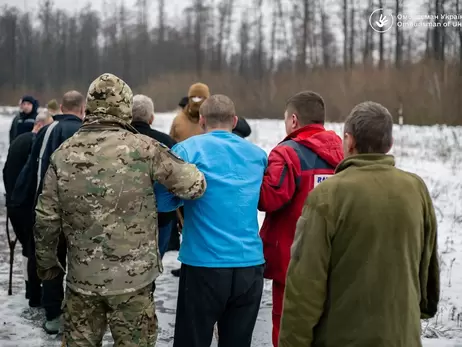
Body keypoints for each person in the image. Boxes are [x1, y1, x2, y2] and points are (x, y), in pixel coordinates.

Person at [34, 73, 206, 347]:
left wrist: (48, 269)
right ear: (124, 106)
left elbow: (45, 219)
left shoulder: (63, 154)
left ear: (89, 107)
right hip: (133, 285)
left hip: (82, 282)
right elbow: (194, 185)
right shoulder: (145, 149)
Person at [279, 101, 440, 347]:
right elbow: (427, 264)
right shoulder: (416, 189)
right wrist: (419, 310)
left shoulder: (327, 195)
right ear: (390, 144)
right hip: (402, 335)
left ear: (348, 140)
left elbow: (305, 286)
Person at [157, 94, 267, 347]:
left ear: (202, 121)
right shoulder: (258, 155)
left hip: (204, 265)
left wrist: (184, 200)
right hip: (249, 265)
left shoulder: (186, 150)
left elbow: (162, 201)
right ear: (235, 121)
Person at [258, 91, 343, 347]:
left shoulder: (287, 153)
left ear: (294, 120)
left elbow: (268, 199)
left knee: (287, 328)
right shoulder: (345, 152)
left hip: (292, 259)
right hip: (333, 256)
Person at [11, 90, 85, 334]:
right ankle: (78, 312)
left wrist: (20, 201)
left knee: (50, 261)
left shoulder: (47, 131)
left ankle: (52, 314)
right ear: (82, 109)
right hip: (82, 212)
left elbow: (32, 169)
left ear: (61, 107)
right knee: (79, 262)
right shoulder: (88, 132)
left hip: (47, 208)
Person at [3, 111, 53, 304]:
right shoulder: (35, 142)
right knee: (33, 249)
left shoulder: (18, 140)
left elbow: (6, 170)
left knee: (26, 247)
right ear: (41, 125)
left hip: (14, 203)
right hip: (26, 204)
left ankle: (27, 288)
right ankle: (34, 293)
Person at [131, 94, 177, 258]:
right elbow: (177, 180)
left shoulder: (115, 141)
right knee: (153, 265)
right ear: (151, 118)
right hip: (160, 218)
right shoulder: (166, 143)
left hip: (121, 216)